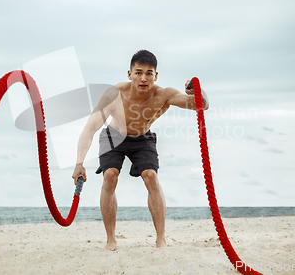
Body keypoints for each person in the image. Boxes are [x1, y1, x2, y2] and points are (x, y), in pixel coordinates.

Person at [71, 50, 209, 250]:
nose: (143, 78)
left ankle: (160, 238)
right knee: (110, 176)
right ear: (129, 74)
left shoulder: (164, 95)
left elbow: (201, 105)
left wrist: (198, 92)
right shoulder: (114, 94)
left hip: (142, 138)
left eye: (149, 73)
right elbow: (90, 128)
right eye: (138, 72)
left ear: (155, 75)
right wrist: (79, 163)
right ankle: (111, 239)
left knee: (151, 177)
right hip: (114, 137)